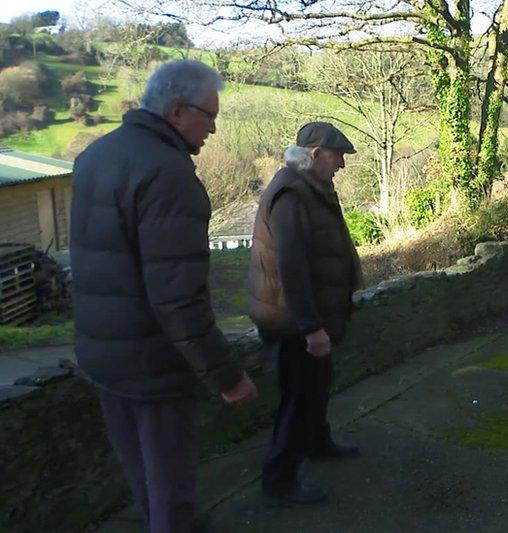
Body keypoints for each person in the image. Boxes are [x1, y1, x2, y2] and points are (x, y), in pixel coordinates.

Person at [70, 60, 258, 532]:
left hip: (102, 354)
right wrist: (227, 376)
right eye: (209, 116)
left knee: (143, 477)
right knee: (170, 487)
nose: (214, 129)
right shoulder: (169, 175)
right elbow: (178, 298)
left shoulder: (96, 154)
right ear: (177, 110)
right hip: (154, 364)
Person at [247, 122, 362, 506]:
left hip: (307, 318)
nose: (342, 165)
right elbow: (289, 268)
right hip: (292, 322)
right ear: (316, 155)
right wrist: (311, 327)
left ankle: (319, 443)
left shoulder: (312, 188)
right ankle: (279, 481)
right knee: (298, 399)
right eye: (338, 157)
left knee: (317, 386)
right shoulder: (291, 195)